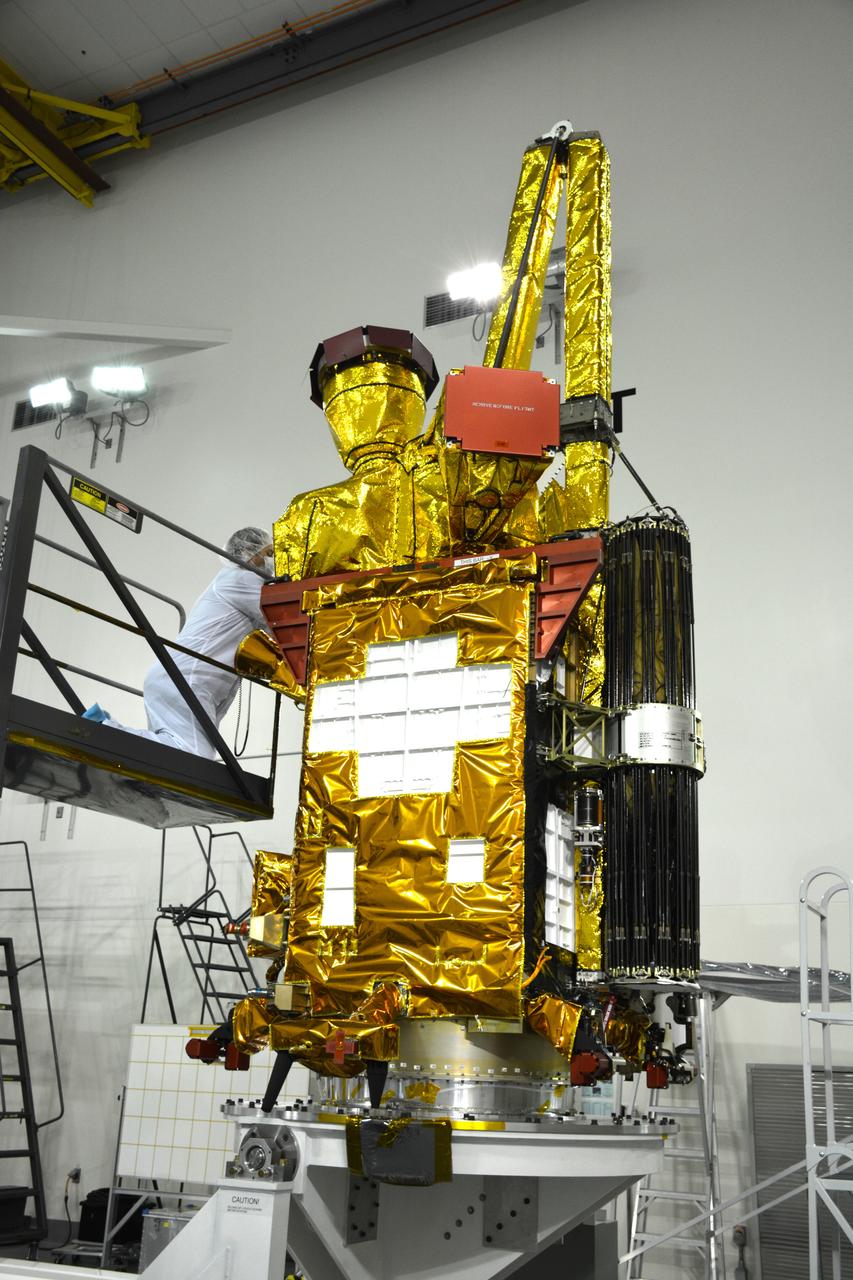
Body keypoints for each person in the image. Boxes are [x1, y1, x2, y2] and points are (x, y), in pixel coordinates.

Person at [83, 527, 273, 759]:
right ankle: (104, 729)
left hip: (177, 679)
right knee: (194, 757)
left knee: (171, 755)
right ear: (249, 553)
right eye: (269, 553)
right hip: (186, 680)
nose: (273, 562)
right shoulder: (241, 577)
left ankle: (103, 726)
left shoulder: (237, 583)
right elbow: (279, 617)